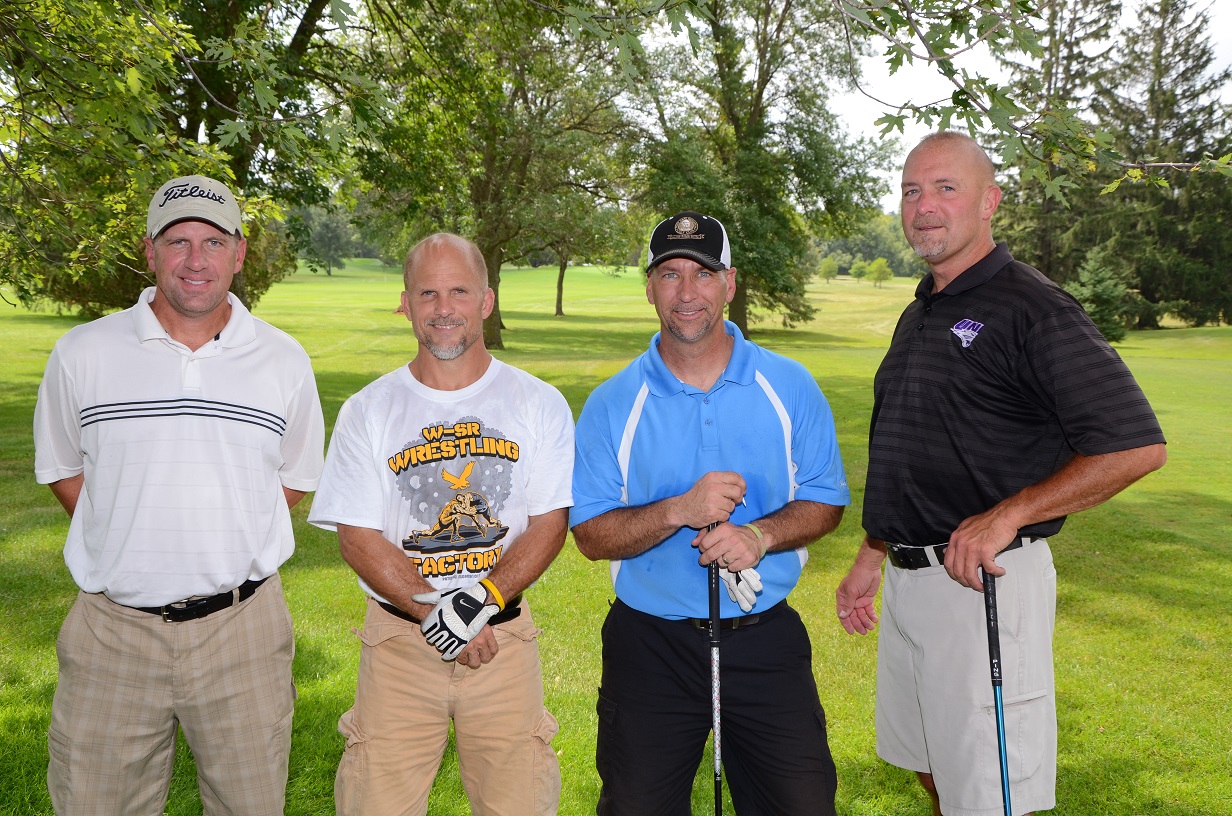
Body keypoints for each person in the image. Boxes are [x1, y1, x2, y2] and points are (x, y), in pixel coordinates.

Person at [835, 132, 1167, 816]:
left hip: (982, 587)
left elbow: (1135, 445)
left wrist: (1009, 512)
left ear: (990, 202)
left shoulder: (1032, 308)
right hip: (910, 582)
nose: (924, 206)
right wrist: (874, 552)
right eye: (911, 190)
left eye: (945, 188)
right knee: (931, 771)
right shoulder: (922, 307)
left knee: (989, 795)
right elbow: (915, 439)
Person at [33, 174, 326, 815]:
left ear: (240, 253)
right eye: (178, 241)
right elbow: (61, 466)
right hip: (113, 632)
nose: (196, 260)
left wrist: (230, 533)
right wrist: (125, 534)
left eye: (214, 241)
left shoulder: (283, 361)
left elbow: (297, 476)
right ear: (150, 251)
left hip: (243, 631)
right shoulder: (82, 353)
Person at [571, 211, 851, 815]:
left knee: (802, 806)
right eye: (670, 274)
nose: (687, 291)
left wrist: (760, 534)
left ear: (729, 281)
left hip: (764, 641)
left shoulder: (789, 385)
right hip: (649, 647)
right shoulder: (613, 402)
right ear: (649, 288)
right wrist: (678, 509)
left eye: (704, 272)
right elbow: (591, 535)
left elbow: (827, 501)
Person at [307, 232, 573, 816]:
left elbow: (550, 524)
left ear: (487, 299)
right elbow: (357, 535)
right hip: (399, 644)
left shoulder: (537, 402)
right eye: (428, 293)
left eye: (459, 290)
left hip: (503, 641)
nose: (444, 308)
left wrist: (477, 604)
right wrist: (436, 615)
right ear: (405, 303)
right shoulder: (368, 410)